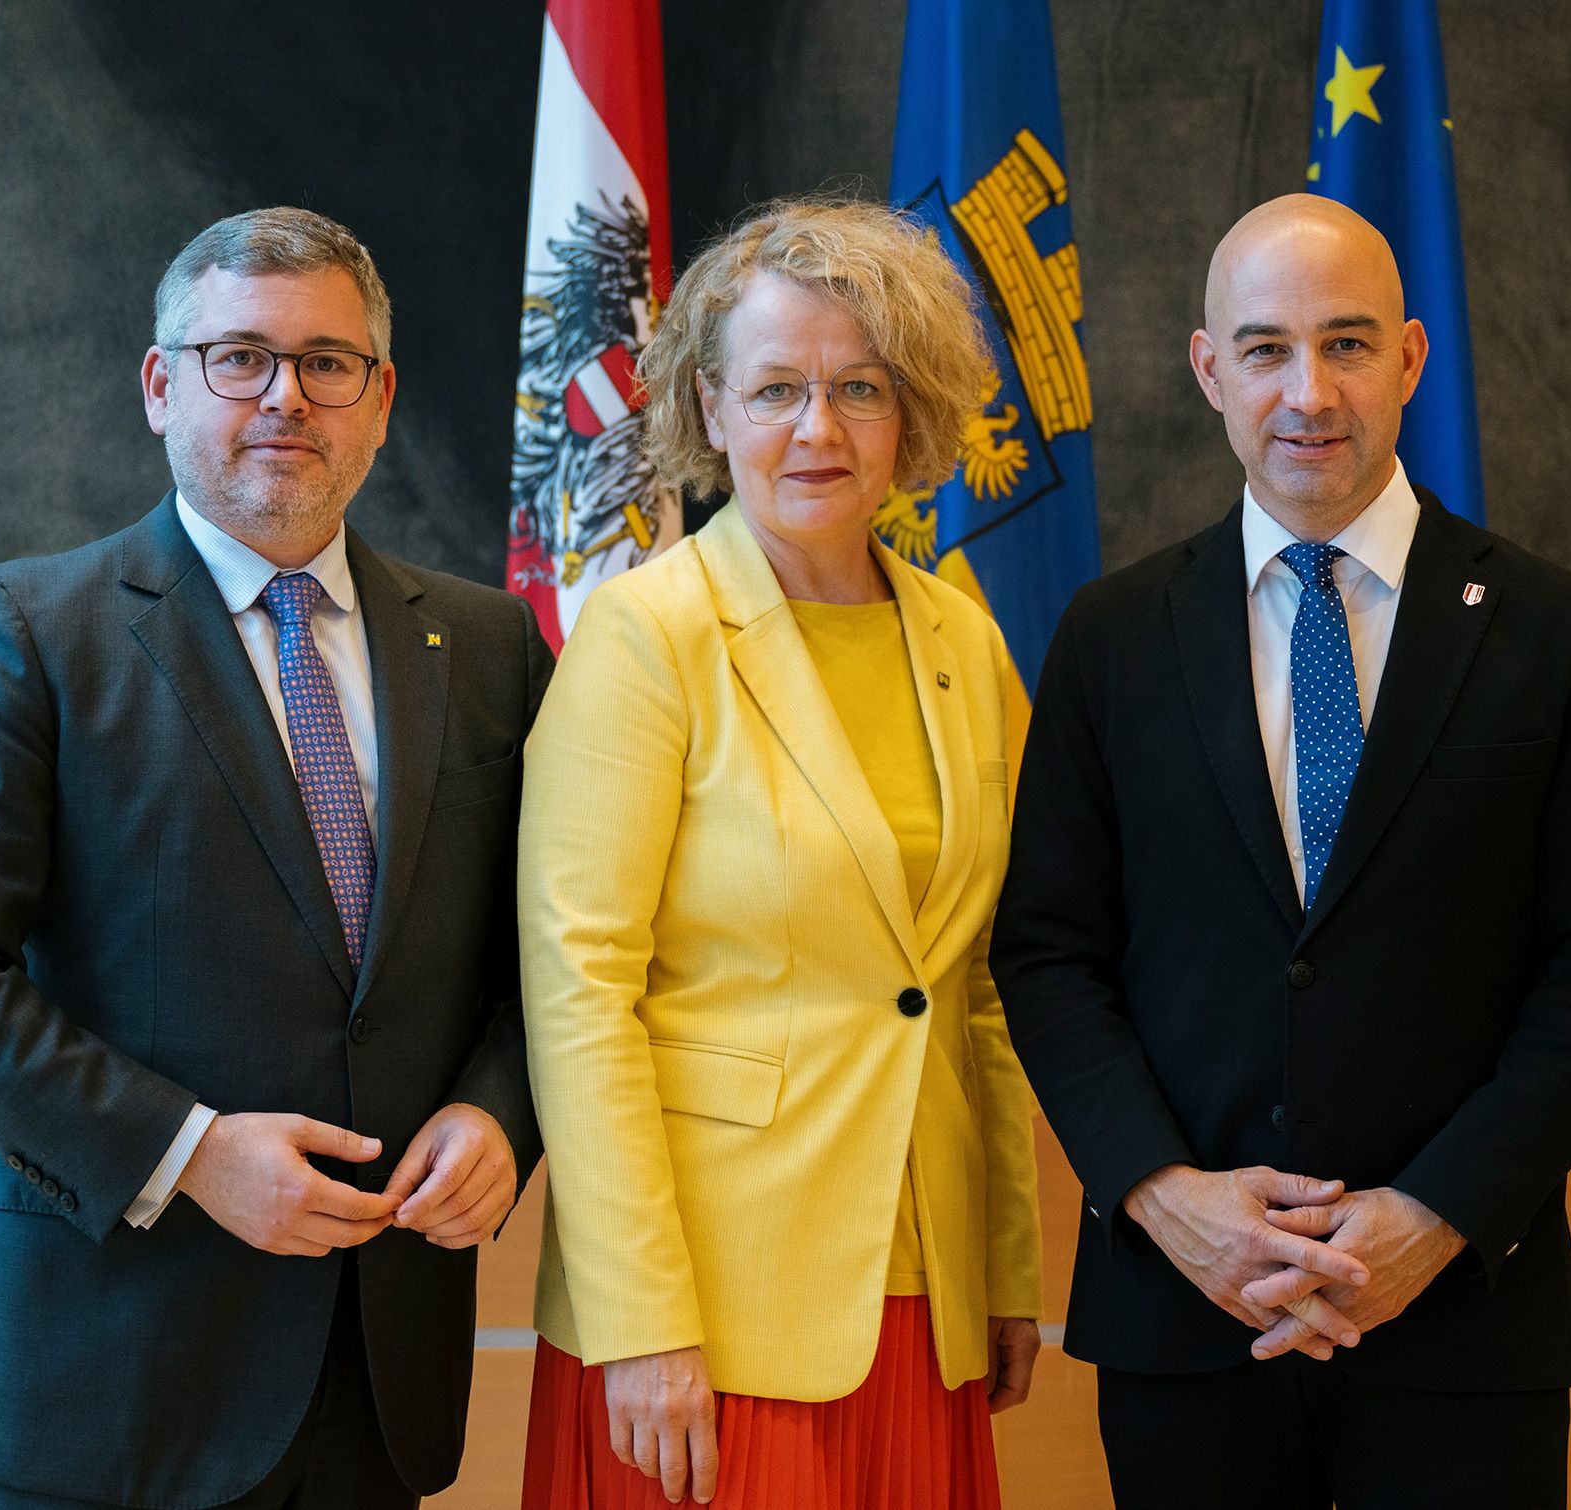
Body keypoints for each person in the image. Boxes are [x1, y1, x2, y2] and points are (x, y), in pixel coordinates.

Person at [0, 207, 552, 1509]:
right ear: (163, 385)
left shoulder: (490, 644)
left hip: (374, 1373)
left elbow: (548, 950)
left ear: (380, 398)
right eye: (239, 357)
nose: (285, 396)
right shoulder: (25, 630)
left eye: (326, 362)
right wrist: (187, 1149)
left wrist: (502, 1109)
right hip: (105, 1373)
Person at [992, 193, 1571, 1508]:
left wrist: (1435, 1213)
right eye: (1263, 348)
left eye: (1347, 344)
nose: (1307, 392)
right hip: (1186, 1315)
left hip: (1460, 1320)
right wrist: (1157, 1190)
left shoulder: (1555, 632)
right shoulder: (1110, 636)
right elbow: (1047, 948)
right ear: (1208, 369)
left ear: (1411, 358)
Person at [516, 198, 1044, 1510]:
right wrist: (641, 1317)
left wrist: (1007, 1262)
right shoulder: (648, 638)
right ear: (709, 403)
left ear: (910, 410)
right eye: (776, 389)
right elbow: (580, 992)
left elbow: (976, 983)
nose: (817, 429)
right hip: (705, 1320)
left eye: (857, 388)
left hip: (924, 1304)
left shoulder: (963, 643)